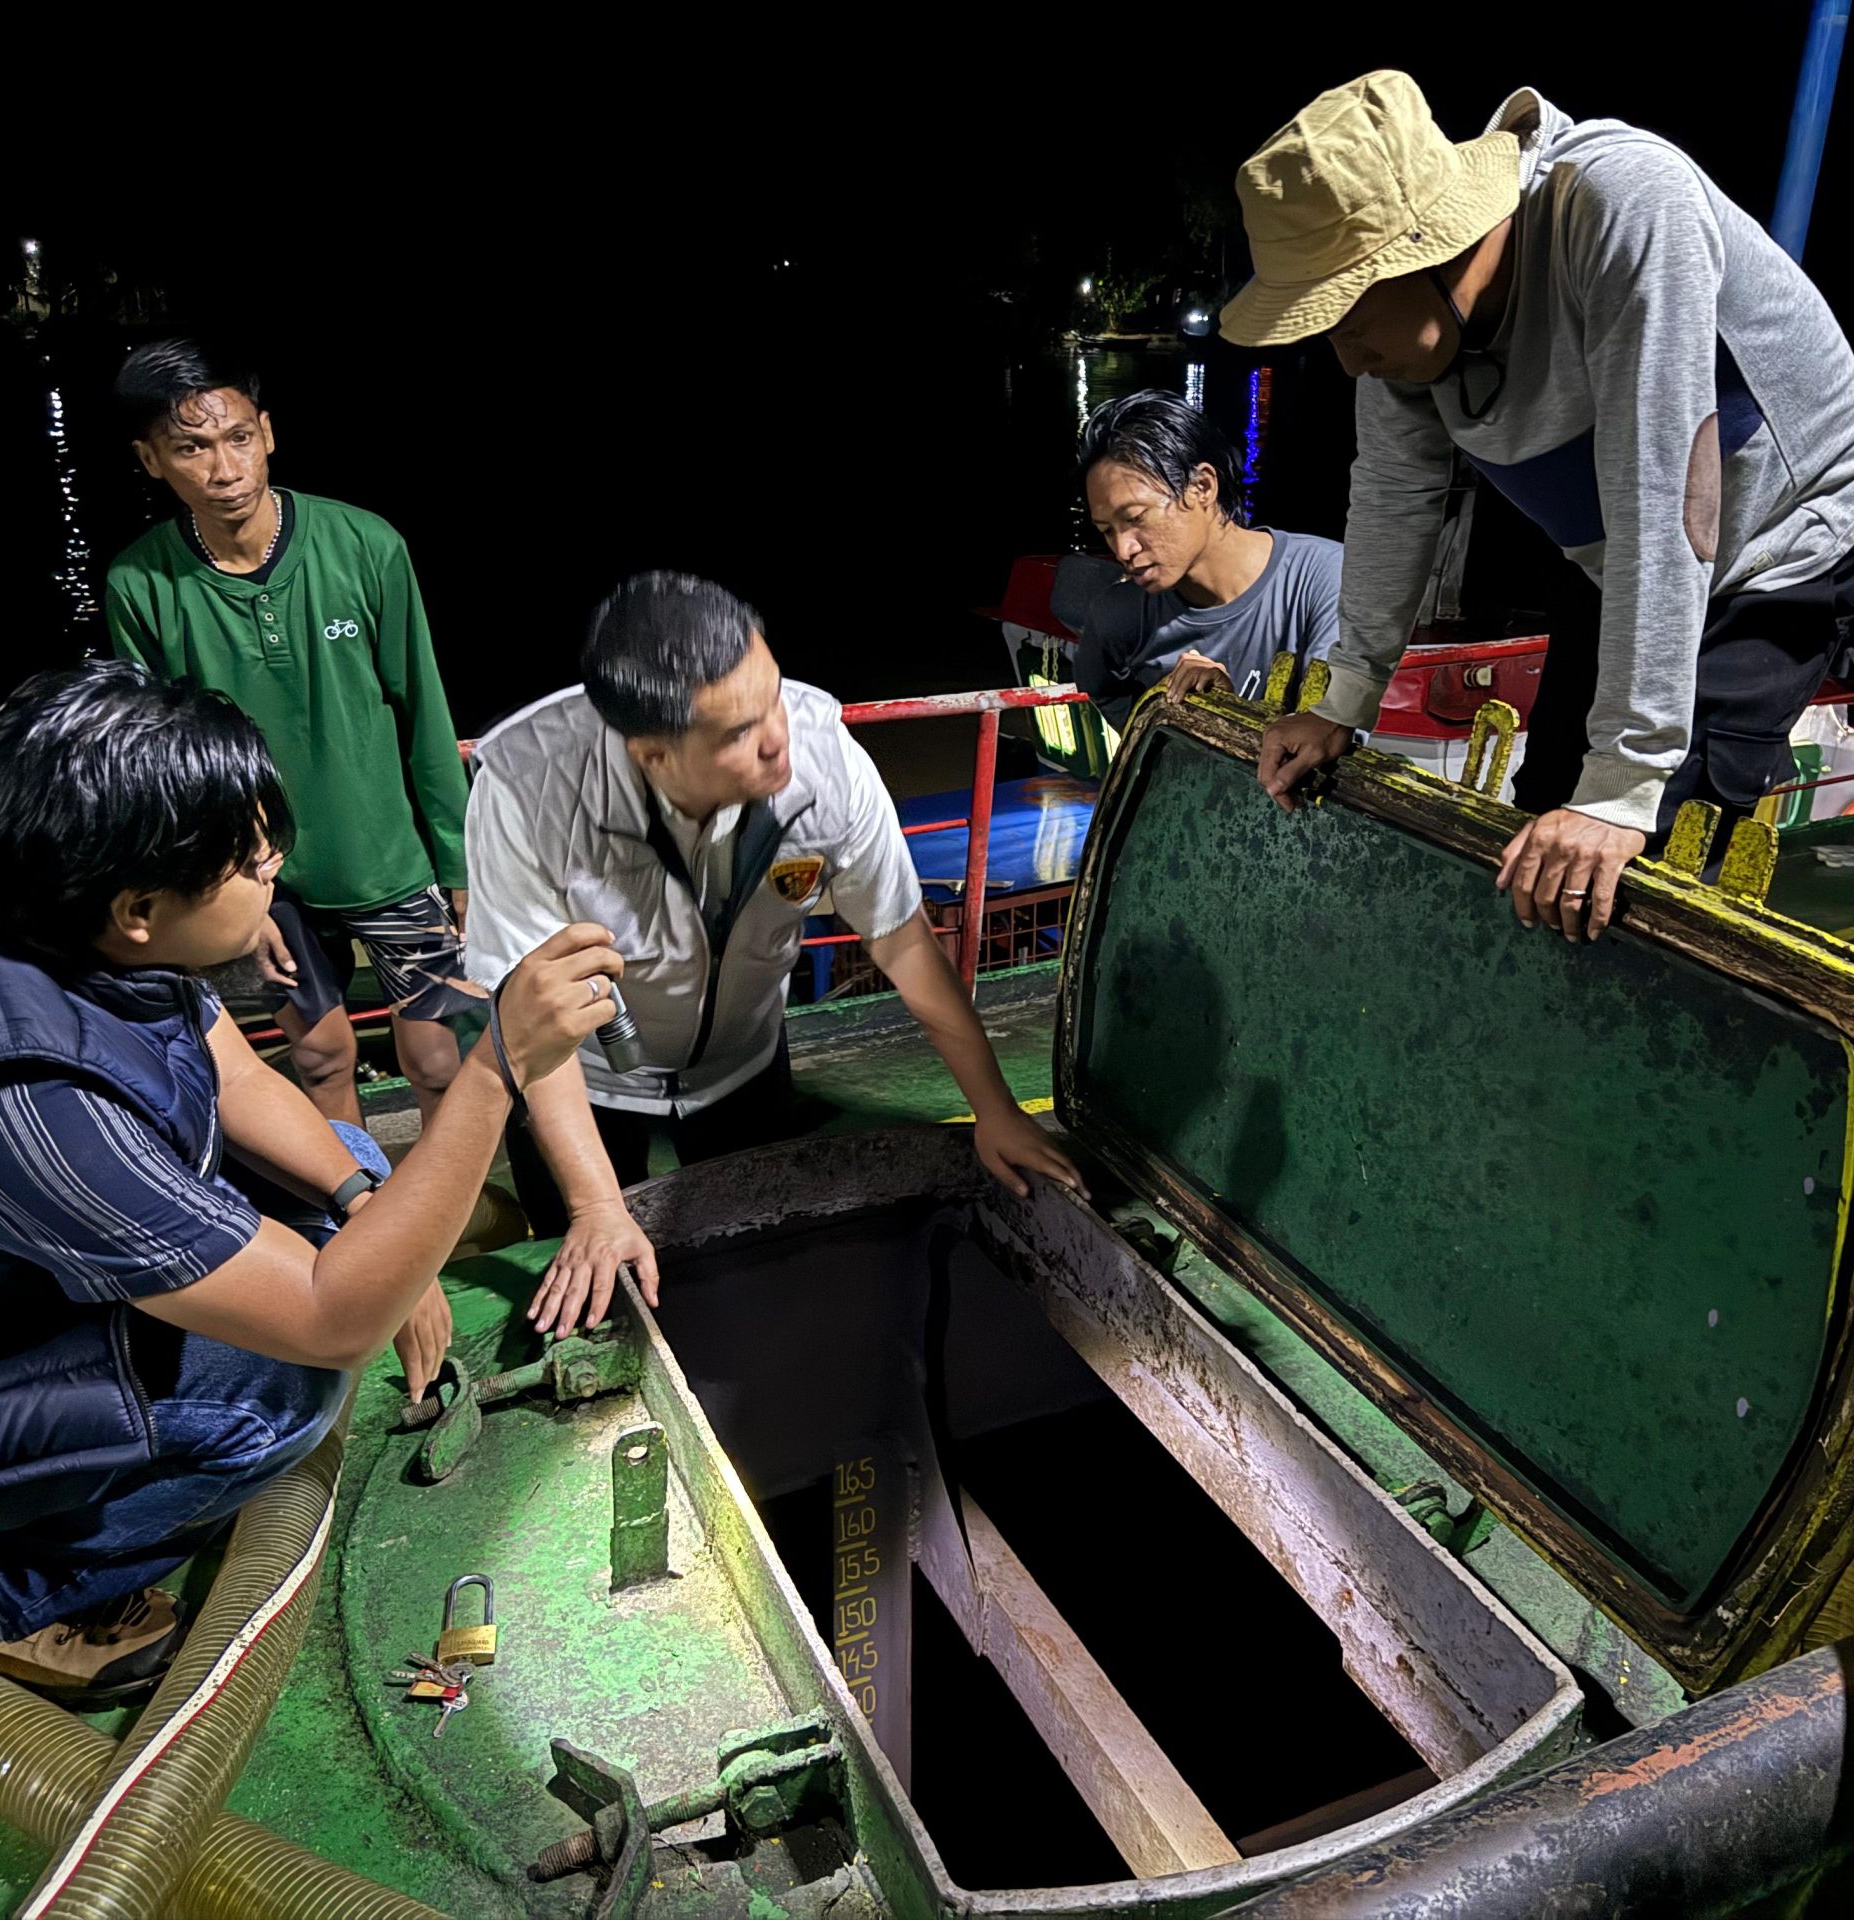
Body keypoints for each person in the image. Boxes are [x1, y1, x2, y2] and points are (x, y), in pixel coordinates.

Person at [0, 664, 620, 1699]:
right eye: (250, 860)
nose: (275, 866)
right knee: (281, 1386)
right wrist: (497, 1069)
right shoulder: (18, 1102)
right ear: (139, 908)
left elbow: (225, 1063)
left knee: (352, 1177)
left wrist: (364, 1202)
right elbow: (329, 1322)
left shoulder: (27, 887)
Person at [1221, 72, 1854, 941]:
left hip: (1777, 534)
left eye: (1347, 319)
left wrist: (1625, 786)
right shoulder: (1404, 332)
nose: (1347, 361)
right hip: (1614, 551)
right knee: (1543, 817)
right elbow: (1392, 495)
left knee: (1651, 855)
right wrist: (1343, 699)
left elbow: (1664, 495)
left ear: (1432, 247)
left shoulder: (1622, 207)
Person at [463, 572, 1084, 1338]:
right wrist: (594, 1207)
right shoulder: (528, 786)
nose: (777, 738)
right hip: (584, 1074)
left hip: (744, 1062)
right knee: (595, 1292)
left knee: (758, 1277)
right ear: (654, 755)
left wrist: (995, 1109)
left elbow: (905, 946)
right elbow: (535, 1021)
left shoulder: (825, 760)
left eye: (773, 695)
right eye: (735, 733)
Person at [105, 340, 475, 1125]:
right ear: (150, 460)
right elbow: (165, 759)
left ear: (267, 432)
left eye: (238, 437)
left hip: (387, 860)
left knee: (440, 1057)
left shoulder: (366, 545)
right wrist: (226, 884)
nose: (224, 469)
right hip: (259, 874)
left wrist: (459, 861)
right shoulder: (138, 582)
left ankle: (452, 1193)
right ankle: (358, 1194)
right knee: (319, 1056)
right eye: (191, 448)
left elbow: (425, 711)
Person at [1070, 390, 1344, 728]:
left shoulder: (1325, 579)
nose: (1123, 550)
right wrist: (1158, 726)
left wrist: (1222, 710)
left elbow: (1326, 734)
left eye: (1136, 517)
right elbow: (1100, 691)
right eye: (1106, 530)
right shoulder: (1118, 616)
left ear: (1202, 487)